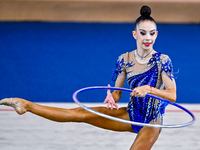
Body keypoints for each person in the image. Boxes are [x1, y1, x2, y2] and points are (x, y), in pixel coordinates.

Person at [0, 5, 176, 150]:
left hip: (152, 120)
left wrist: (149, 90)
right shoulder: (124, 59)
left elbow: (172, 94)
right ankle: (26, 105)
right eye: (143, 33)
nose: (148, 38)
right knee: (80, 113)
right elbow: (117, 93)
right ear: (135, 34)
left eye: (152, 33)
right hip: (131, 114)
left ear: (157, 34)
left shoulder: (162, 60)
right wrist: (112, 96)